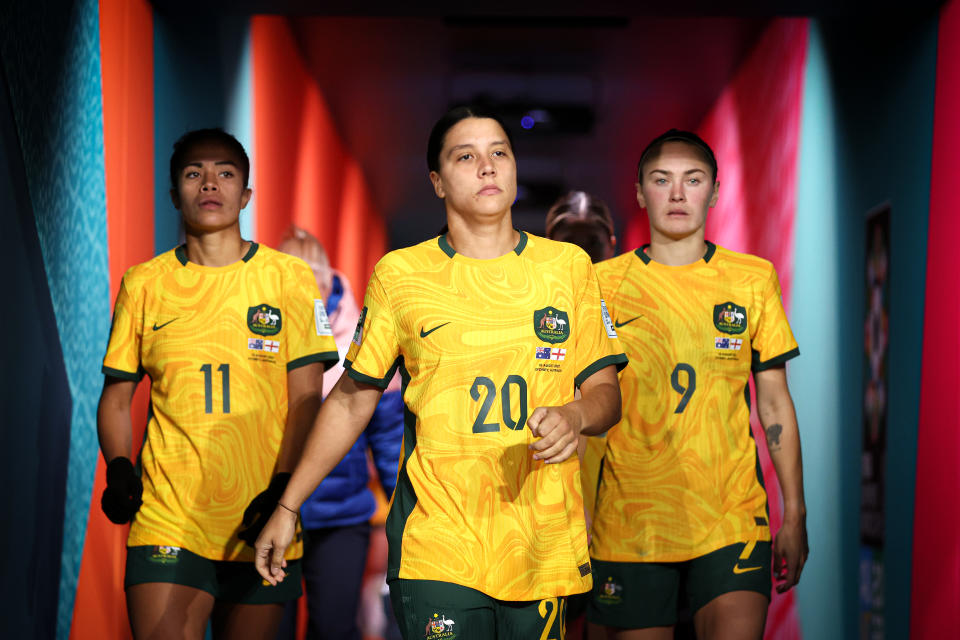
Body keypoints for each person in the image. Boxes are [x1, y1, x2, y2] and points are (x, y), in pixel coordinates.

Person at [253, 105, 628, 640]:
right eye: (466, 156)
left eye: (500, 152)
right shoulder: (400, 275)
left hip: (541, 547)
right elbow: (352, 399)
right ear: (436, 181)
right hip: (437, 547)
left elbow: (606, 393)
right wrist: (288, 505)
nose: (487, 166)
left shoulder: (566, 269)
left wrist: (576, 414)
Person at [97, 129, 340, 639]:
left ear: (246, 194)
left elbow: (306, 398)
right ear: (174, 194)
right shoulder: (143, 284)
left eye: (225, 172)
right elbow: (117, 399)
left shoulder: (291, 279)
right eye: (193, 173)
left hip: (263, 520)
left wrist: (283, 491)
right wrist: (120, 467)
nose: (209, 183)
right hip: (167, 516)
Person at [587, 129, 808, 640]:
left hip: (731, 517)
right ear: (641, 193)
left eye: (693, 180)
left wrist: (793, 513)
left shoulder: (751, 279)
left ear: (714, 191)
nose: (678, 194)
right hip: (631, 520)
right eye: (662, 181)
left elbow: (774, 402)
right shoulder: (601, 285)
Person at [276, 226, 404, 640]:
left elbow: (388, 440)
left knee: (333, 629)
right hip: (266, 510)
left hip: (341, 515)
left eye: (314, 271)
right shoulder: (260, 336)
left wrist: (405, 518)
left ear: (330, 276)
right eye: (292, 272)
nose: (306, 282)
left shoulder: (361, 339)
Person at [544, 191, 617, 640]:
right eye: (571, 240)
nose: (584, 252)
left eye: (591, 240)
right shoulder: (536, 298)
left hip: (629, 505)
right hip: (556, 505)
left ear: (611, 241)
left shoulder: (632, 297)